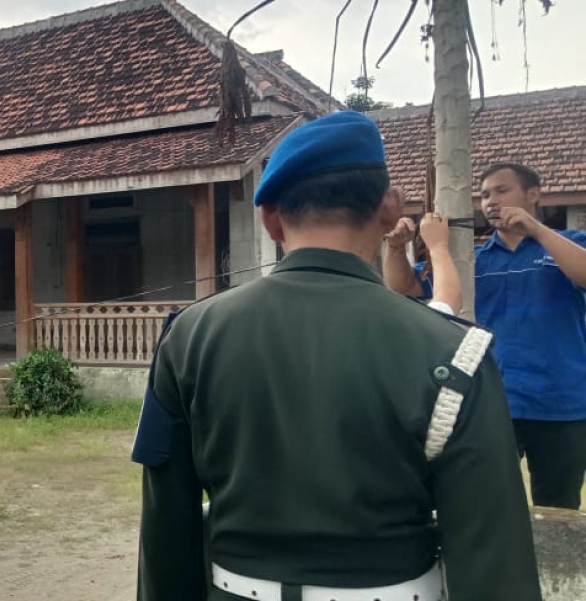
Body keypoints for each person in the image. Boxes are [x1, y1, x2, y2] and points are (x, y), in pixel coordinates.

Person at [131, 111, 541, 601]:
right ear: (390, 209)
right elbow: (494, 558)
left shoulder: (188, 336)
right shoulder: (455, 350)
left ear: (270, 217)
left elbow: (165, 525)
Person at [477, 163, 586, 509]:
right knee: (489, 501)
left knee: (558, 507)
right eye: (484, 195)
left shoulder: (567, 244)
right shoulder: (474, 259)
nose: (491, 201)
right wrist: (400, 247)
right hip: (494, 402)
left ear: (534, 194)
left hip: (562, 403)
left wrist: (538, 231)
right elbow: (408, 287)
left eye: (501, 190)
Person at [383, 212, 462, 314]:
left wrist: (438, 246)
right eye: (484, 196)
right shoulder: (435, 268)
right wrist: (396, 247)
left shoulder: (483, 261)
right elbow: (405, 288)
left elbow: (449, 301)